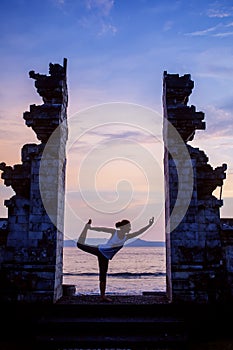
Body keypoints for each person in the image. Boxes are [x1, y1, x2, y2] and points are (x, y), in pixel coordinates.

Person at [76, 217, 154, 302]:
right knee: (79, 244)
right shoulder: (114, 232)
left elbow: (139, 232)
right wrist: (91, 228)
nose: (130, 228)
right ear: (124, 227)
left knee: (103, 275)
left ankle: (102, 296)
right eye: (129, 227)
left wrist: (149, 225)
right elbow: (102, 229)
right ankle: (85, 228)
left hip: (105, 257)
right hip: (99, 250)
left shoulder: (127, 237)